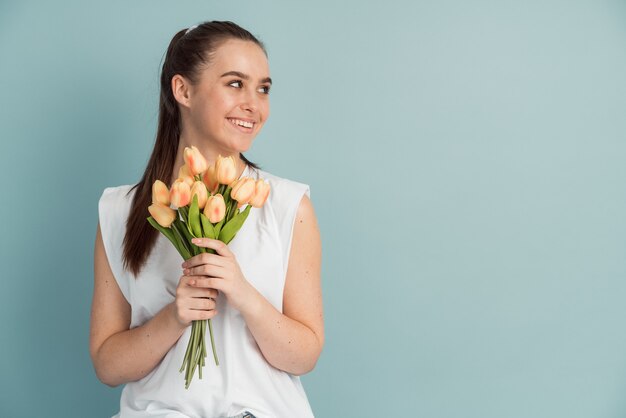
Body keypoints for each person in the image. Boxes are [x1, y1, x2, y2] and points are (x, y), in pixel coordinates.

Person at [90, 21, 324, 418]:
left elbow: (304, 356)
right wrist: (175, 316)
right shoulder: (120, 211)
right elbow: (107, 366)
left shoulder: (286, 205)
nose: (254, 104)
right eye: (235, 83)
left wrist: (242, 292)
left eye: (263, 89)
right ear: (183, 90)